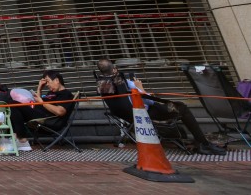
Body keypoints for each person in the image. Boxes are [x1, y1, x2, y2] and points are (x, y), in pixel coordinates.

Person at [96, 58, 225, 155]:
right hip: (144, 112)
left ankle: (194, 140)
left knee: (173, 110)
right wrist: (141, 88)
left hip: (126, 116)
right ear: (114, 69)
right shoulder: (122, 81)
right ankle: (203, 143)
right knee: (182, 108)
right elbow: (147, 100)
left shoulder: (102, 84)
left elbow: (121, 101)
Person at [8, 69, 76, 152]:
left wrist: (42, 102)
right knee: (11, 105)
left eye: (48, 81)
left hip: (49, 120)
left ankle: (21, 140)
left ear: (57, 80)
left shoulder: (66, 94)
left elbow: (60, 111)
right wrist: (40, 88)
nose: (47, 85)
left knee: (13, 104)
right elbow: (39, 102)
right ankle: (16, 137)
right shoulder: (51, 93)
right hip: (39, 113)